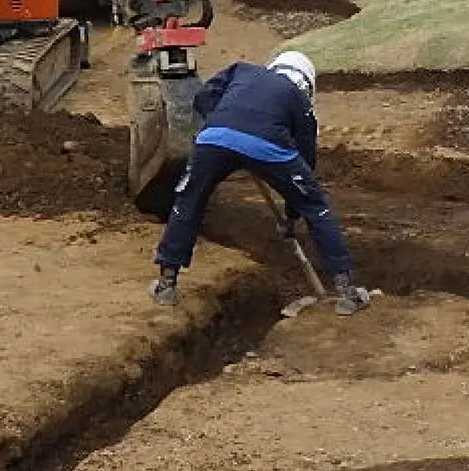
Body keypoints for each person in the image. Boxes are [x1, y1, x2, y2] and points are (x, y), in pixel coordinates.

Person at [150, 51, 370, 314]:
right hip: (268, 147)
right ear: (307, 83)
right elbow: (305, 161)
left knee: (188, 202)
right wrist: (293, 212)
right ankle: (347, 292)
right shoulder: (300, 100)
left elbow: (202, 97)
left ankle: (166, 285)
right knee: (317, 207)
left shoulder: (241, 70)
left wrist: (225, 123)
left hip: (213, 140)